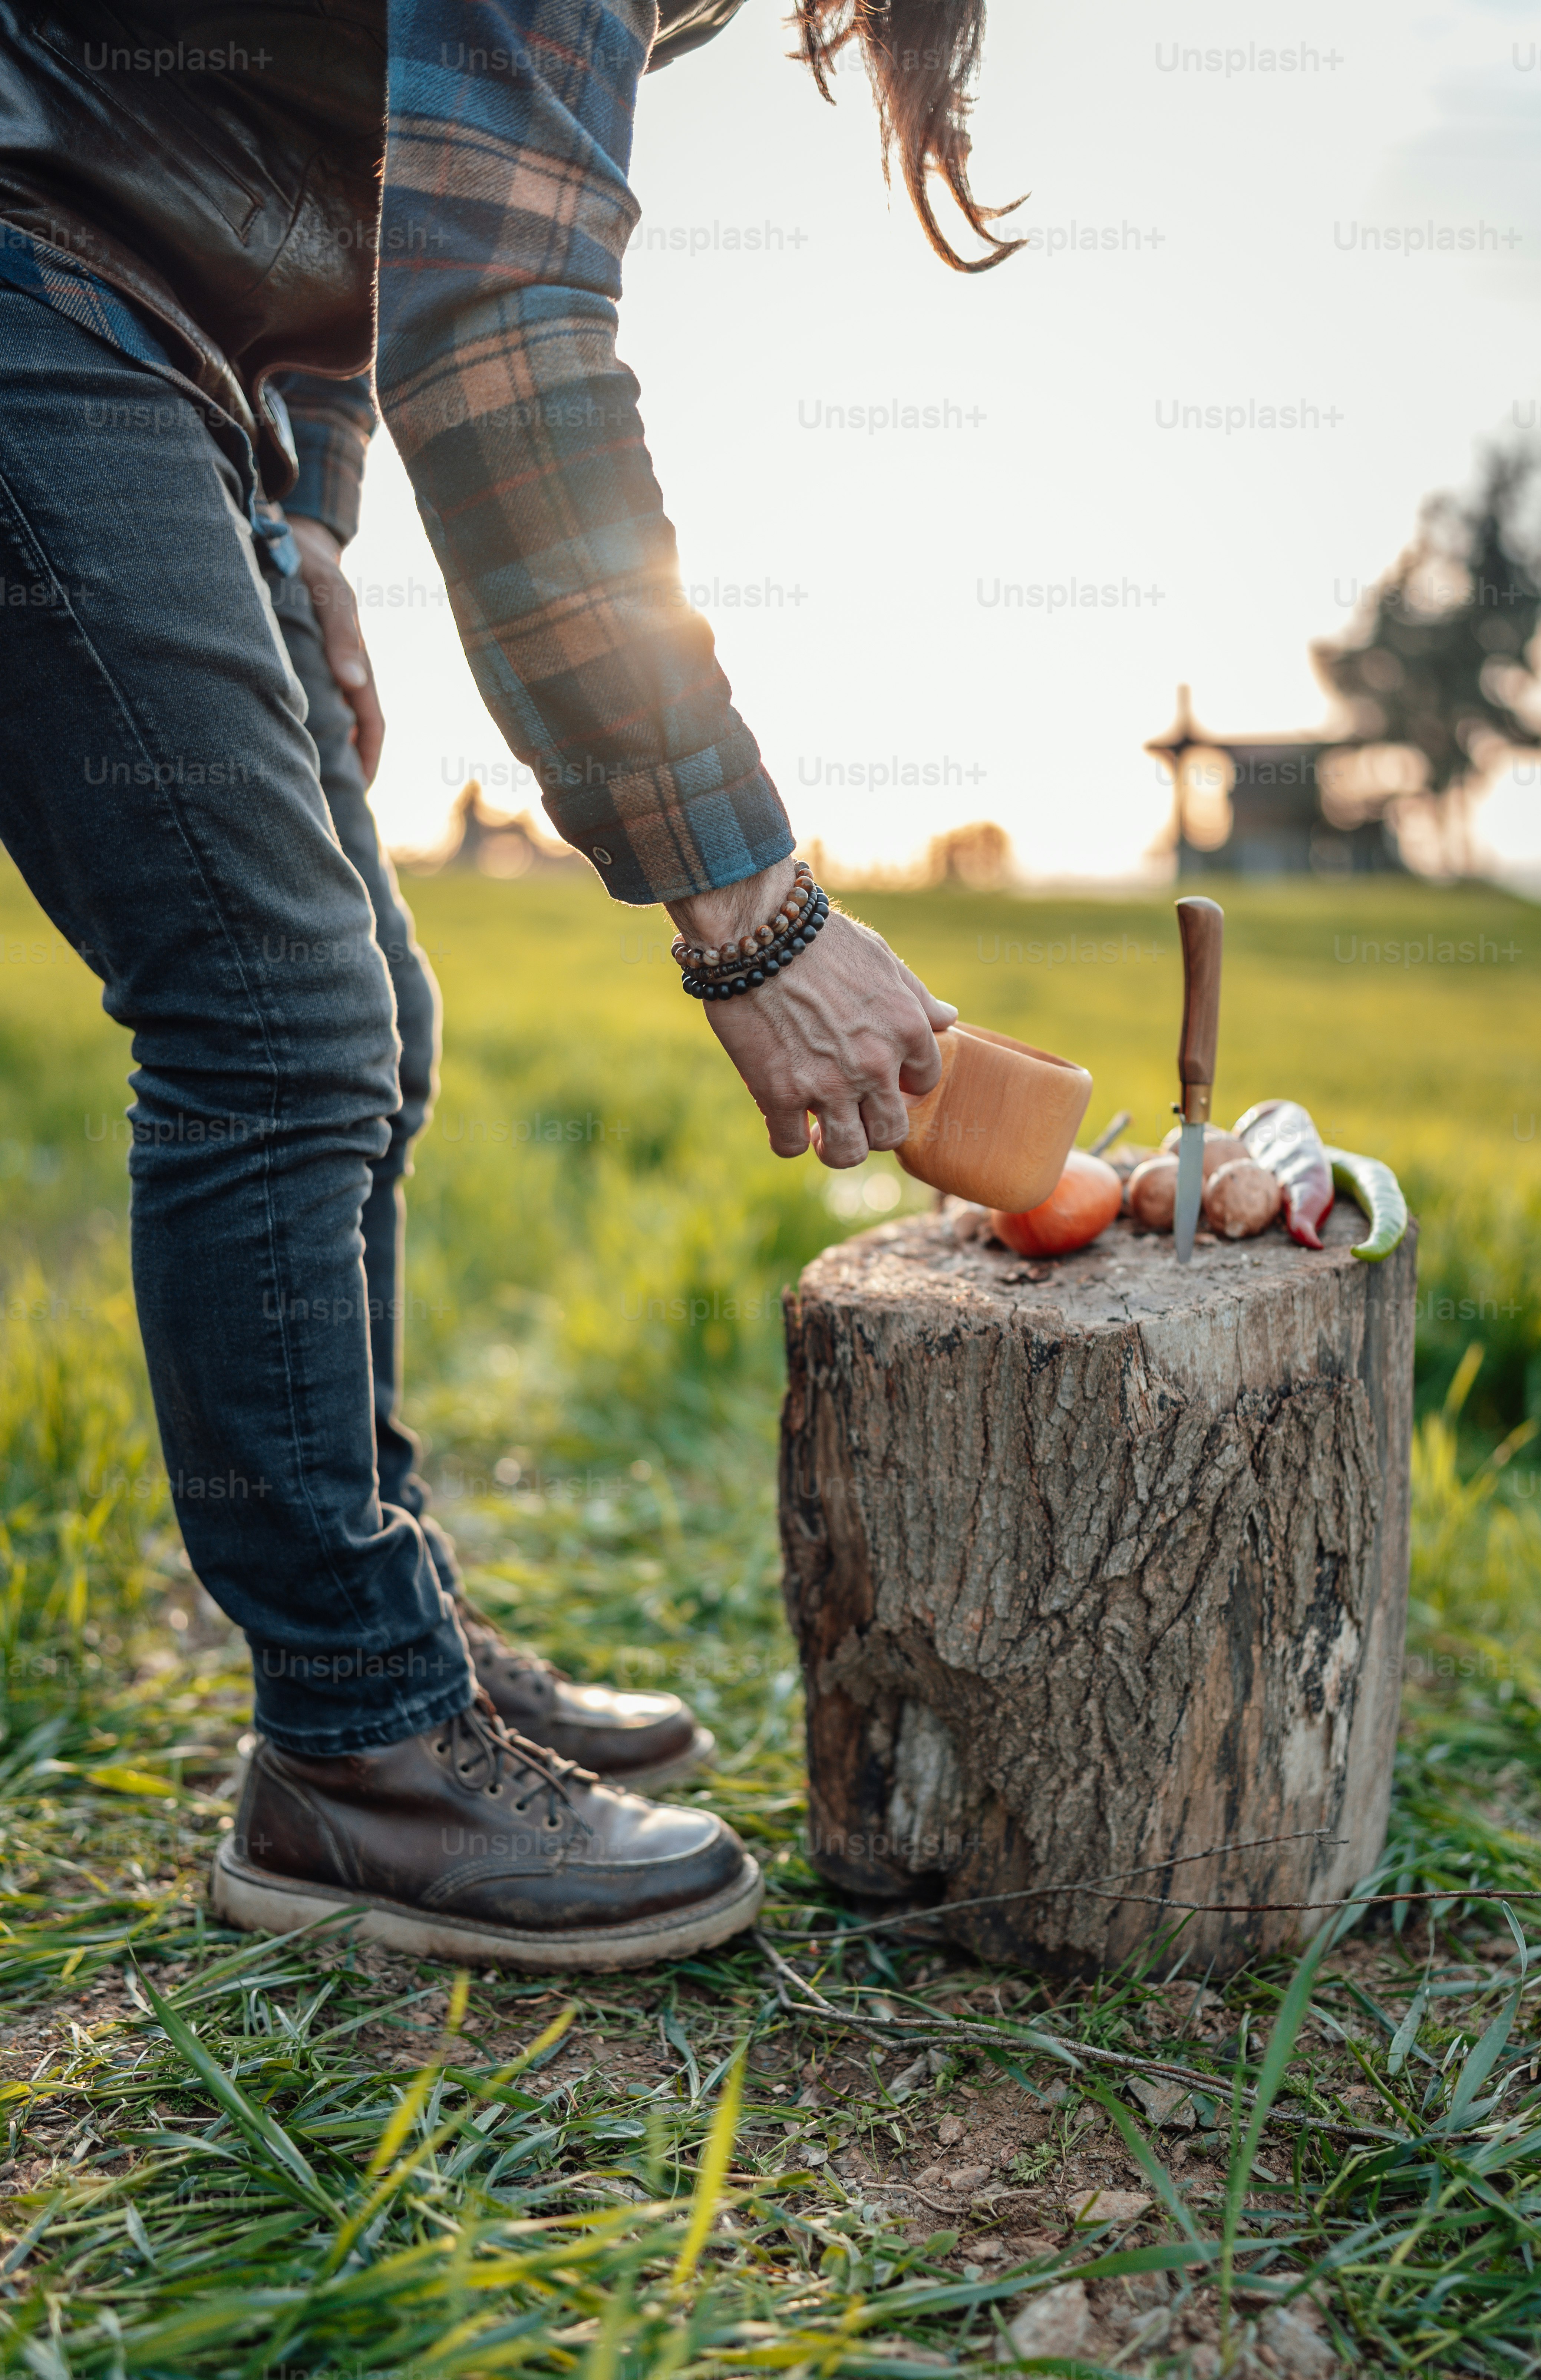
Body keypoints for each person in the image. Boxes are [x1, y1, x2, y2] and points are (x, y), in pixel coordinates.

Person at [0, 1, 1018, 1969]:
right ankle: (357, 1753)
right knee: (270, 1015)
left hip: (158, 328)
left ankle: (381, 1632)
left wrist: (295, 513)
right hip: (40, 281)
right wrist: (754, 914)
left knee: (366, 1007)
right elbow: (507, 337)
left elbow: (354, 186)